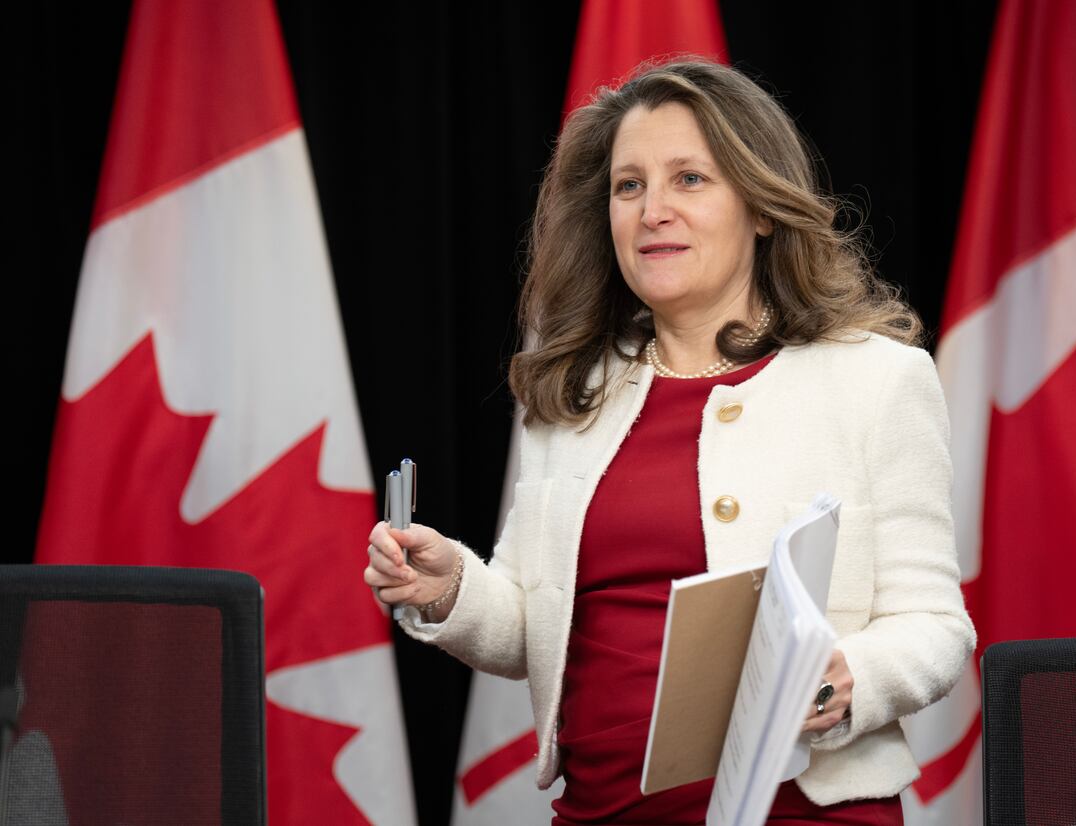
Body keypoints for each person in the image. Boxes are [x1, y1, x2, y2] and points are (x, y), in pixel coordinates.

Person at [365, 59, 975, 824]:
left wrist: (843, 678)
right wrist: (450, 586)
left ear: (760, 205)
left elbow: (935, 627)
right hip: (599, 811)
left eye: (690, 179)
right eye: (630, 186)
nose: (654, 209)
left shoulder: (877, 379)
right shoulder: (571, 390)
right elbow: (533, 622)